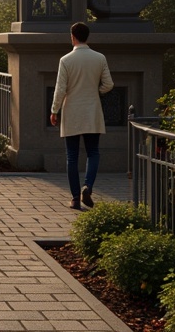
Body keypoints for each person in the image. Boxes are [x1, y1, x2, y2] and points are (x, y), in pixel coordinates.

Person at [50, 21, 113, 210]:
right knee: (93, 152)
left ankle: (76, 198)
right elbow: (109, 84)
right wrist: (96, 91)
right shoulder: (99, 58)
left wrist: (54, 110)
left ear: (72, 36)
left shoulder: (66, 60)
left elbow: (60, 89)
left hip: (72, 112)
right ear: (87, 36)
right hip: (92, 109)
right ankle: (88, 185)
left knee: (72, 156)